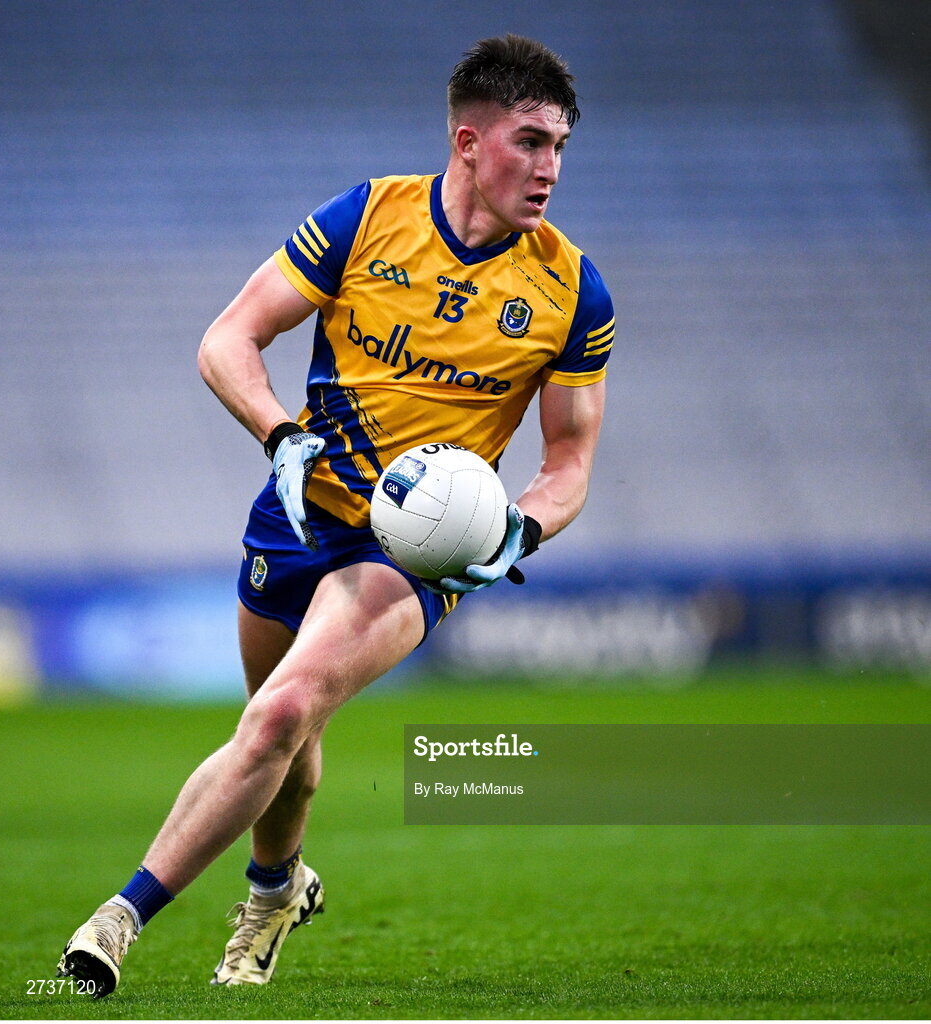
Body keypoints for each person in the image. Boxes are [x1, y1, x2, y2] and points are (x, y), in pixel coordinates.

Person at [57, 33, 614, 998]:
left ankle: (118, 919)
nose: (550, 169)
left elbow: (567, 465)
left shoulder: (572, 289)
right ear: (468, 140)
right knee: (287, 745)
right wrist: (279, 433)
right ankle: (277, 889)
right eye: (531, 142)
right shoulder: (367, 217)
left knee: (279, 711)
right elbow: (229, 337)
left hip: (413, 555)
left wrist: (517, 529)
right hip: (299, 513)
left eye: (561, 146)